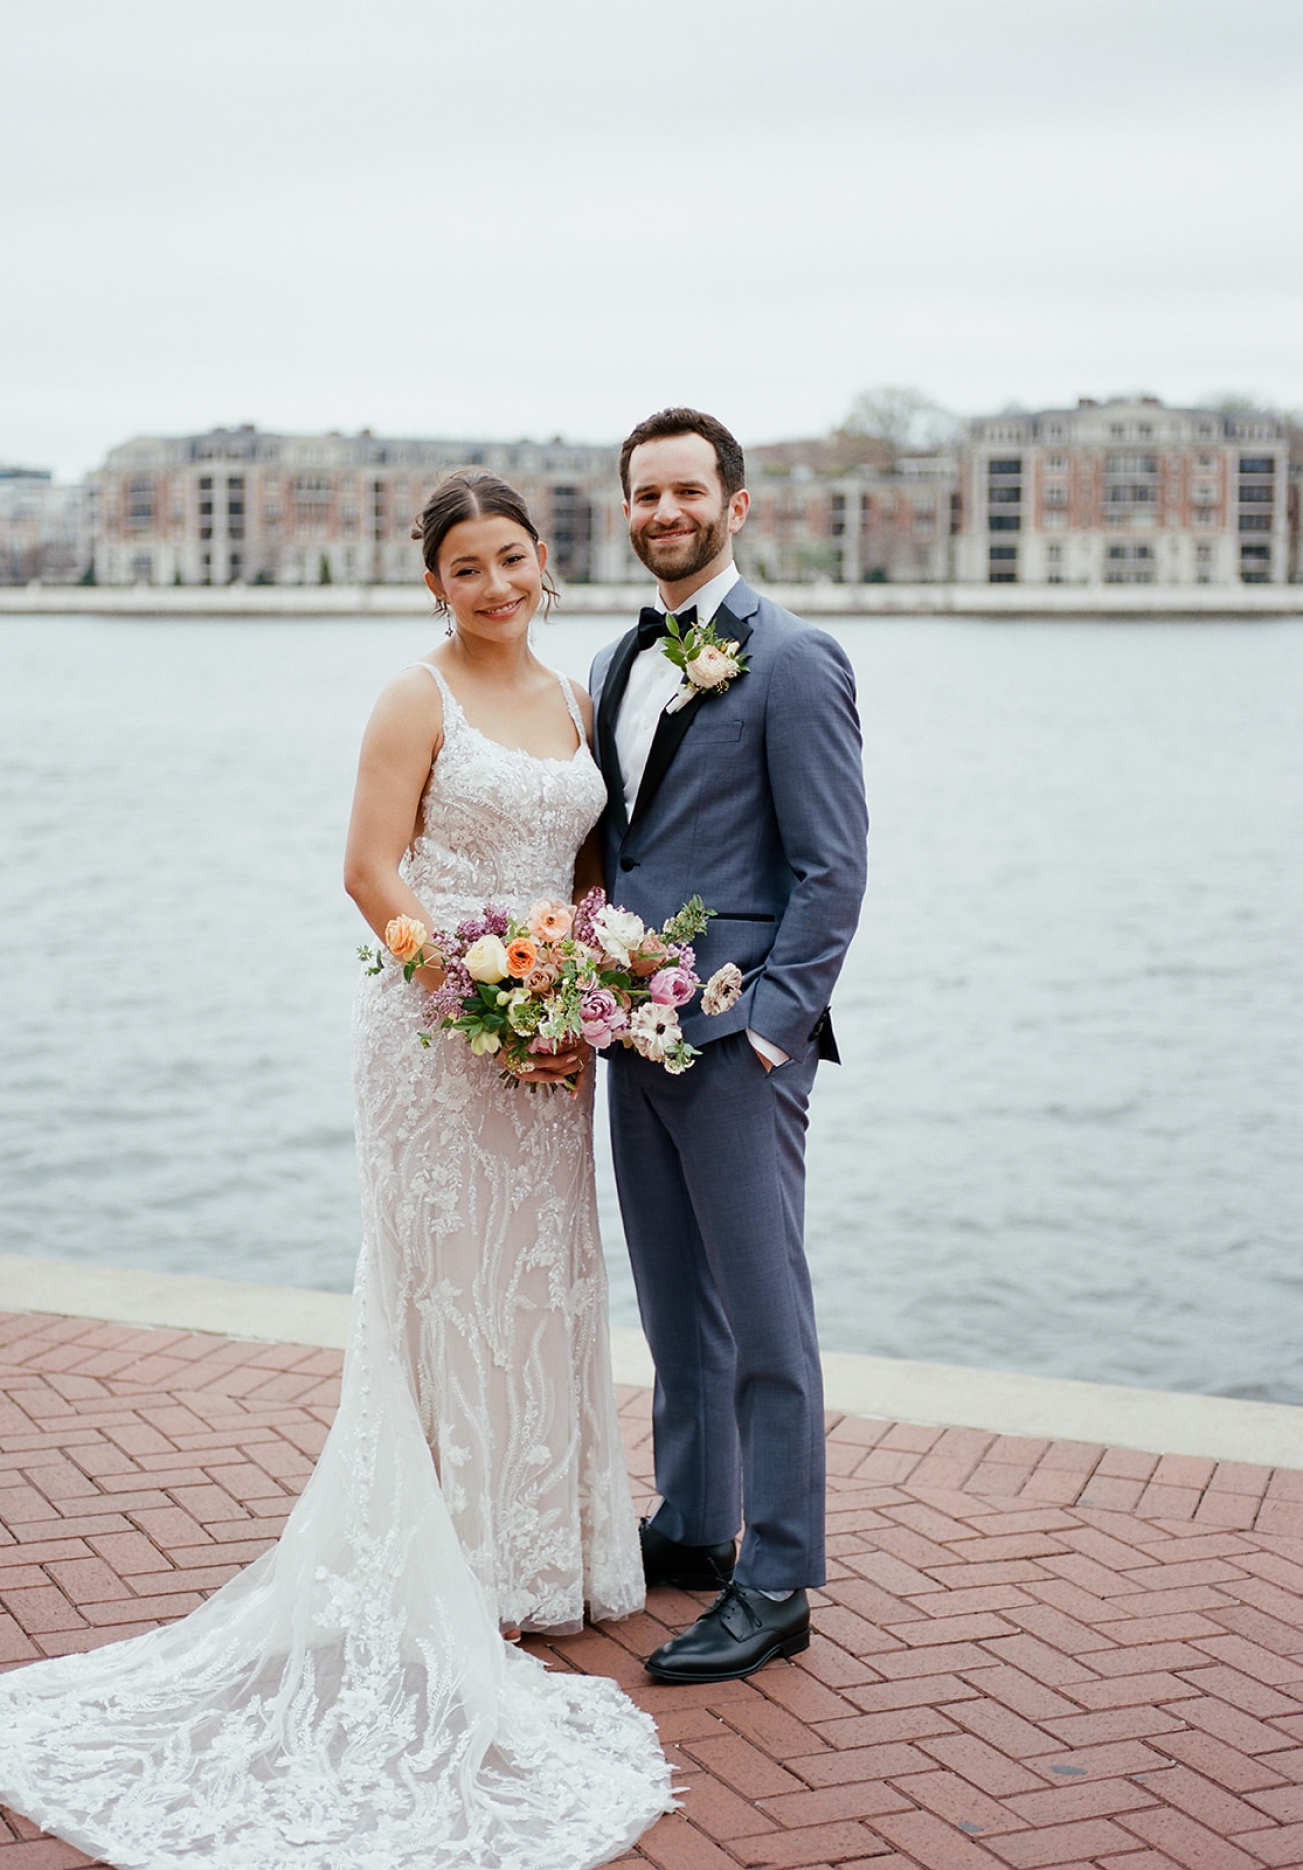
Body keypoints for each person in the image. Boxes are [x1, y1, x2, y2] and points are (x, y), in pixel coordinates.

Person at [0, 470, 672, 1870]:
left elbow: (585, 868)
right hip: (435, 1026)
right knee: (444, 1284)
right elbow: (368, 871)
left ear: (547, 563)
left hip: (546, 1039)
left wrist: (578, 999)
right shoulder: (417, 696)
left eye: (514, 558)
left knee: (544, 1277)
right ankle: (459, 1569)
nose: (497, 585)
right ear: (433, 584)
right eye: (468, 567)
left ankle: (554, 1553)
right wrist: (479, 999)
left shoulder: (581, 700)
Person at [590, 408, 868, 1686]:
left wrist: (770, 1027)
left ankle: (778, 1576)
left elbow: (830, 868)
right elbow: (627, 852)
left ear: (735, 504)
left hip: (737, 1044)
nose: (665, 512)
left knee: (765, 1320)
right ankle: (698, 1525)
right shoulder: (612, 663)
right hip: (631, 1037)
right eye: (645, 493)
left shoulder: (796, 660)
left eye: (687, 490)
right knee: (672, 1308)